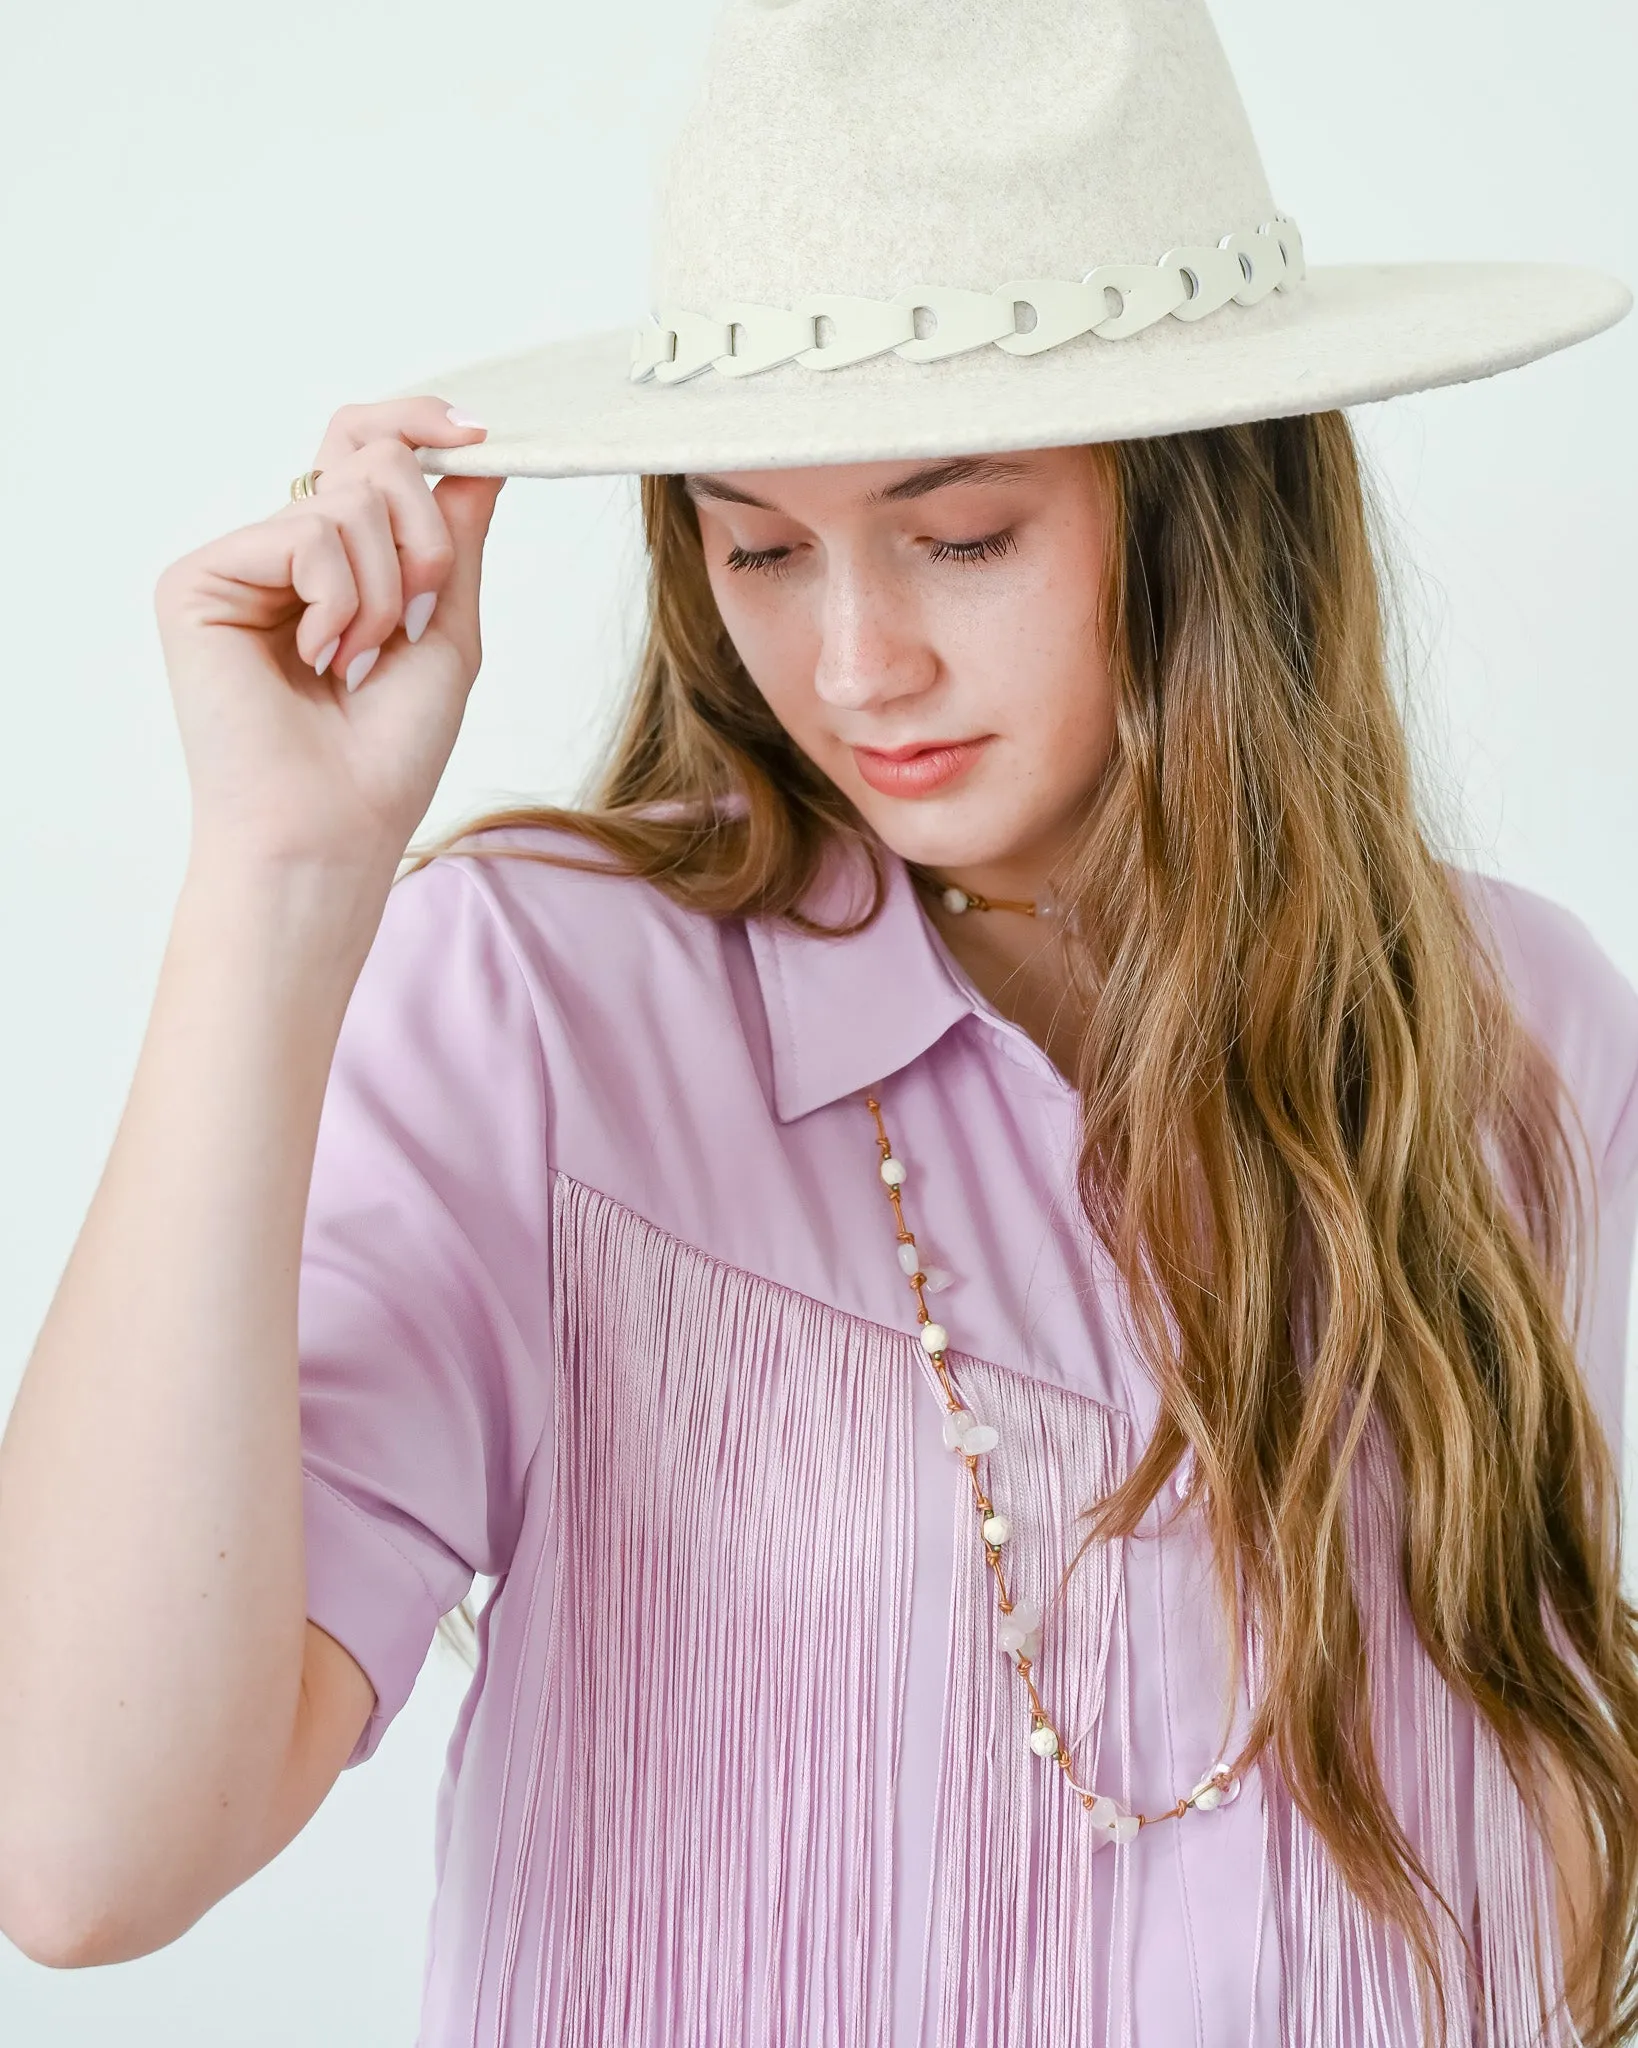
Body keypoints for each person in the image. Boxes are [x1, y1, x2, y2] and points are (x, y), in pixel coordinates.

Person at [1, 1, 1635, 2043]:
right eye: (757, 544)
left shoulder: (1531, 1039)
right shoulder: (542, 1009)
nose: (854, 661)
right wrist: (277, 876)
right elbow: (81, 1853)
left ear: (1210, 501)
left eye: (962, 537)